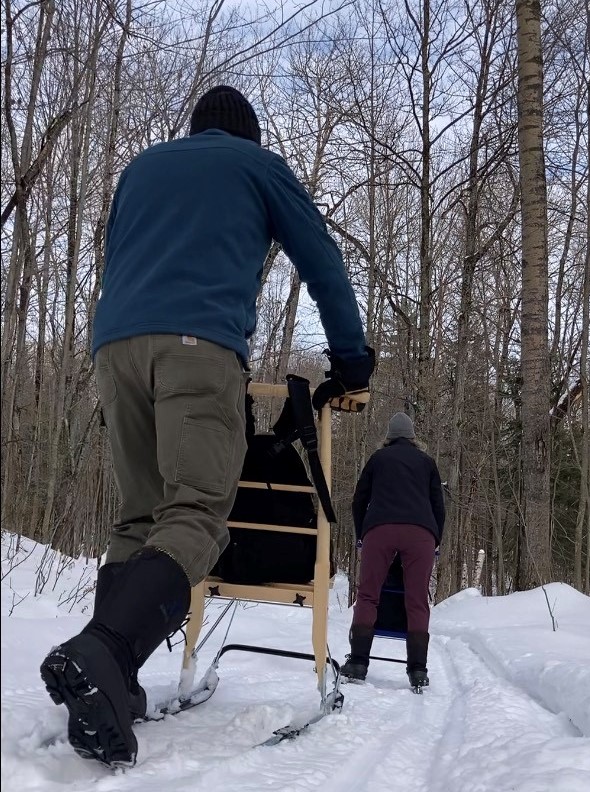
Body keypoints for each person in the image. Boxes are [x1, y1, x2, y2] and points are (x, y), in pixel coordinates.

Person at [40, 86, 374, 768]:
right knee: (196, 513)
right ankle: (106, 651)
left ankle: (117, 680)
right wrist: (351, 361)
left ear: (193, 129)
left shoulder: (142, 168)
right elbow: (322, 261)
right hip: (198, 346)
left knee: (139, 514)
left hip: (114, 346)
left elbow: (117, 255)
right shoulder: (258, 167)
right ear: (247, 136)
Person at [341, 412, 445, 690]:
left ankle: (358, 662)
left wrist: (362, 532)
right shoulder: (427, 462)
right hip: (420, 533)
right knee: (416, 600)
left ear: (388, 436)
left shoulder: (378, 459)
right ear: (412, 436)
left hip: (380, 528)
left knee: (368, 594)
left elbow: (359, 498)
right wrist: (435, 539)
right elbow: (438, 504)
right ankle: (418, 670)